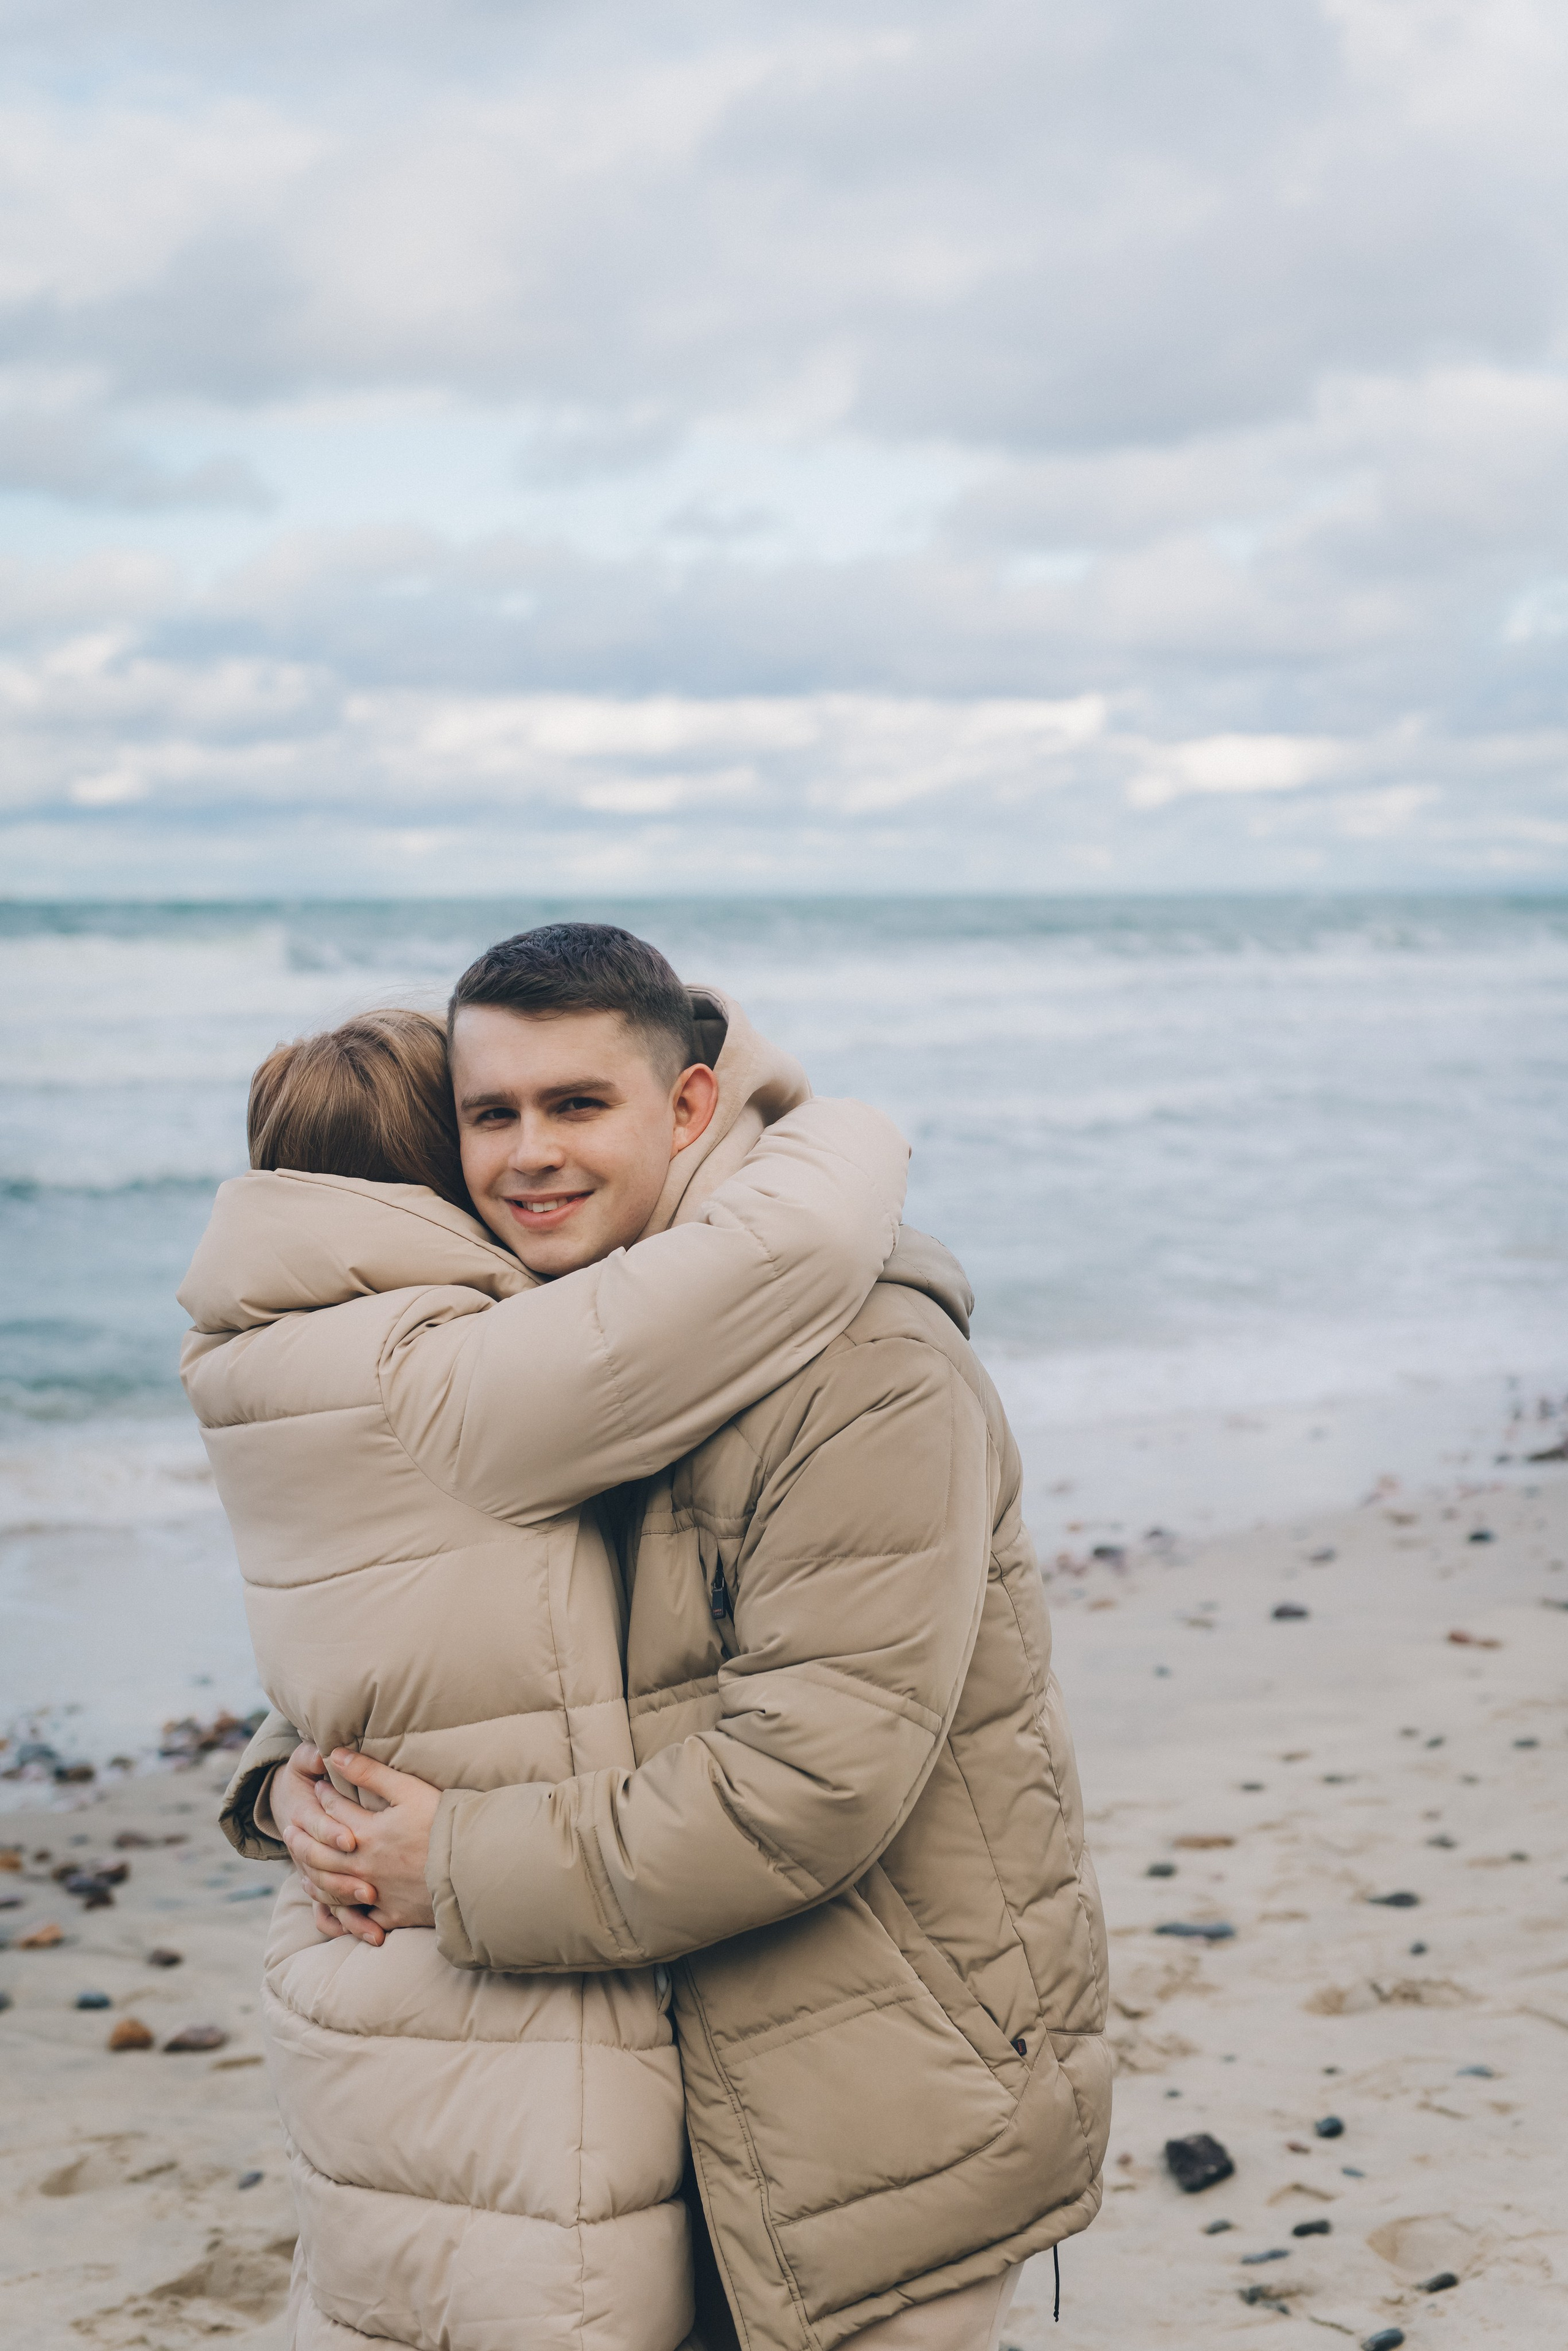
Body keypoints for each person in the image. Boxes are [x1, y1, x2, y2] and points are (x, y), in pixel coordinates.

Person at [233, 927, 1112, 2351]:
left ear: (689, 1106)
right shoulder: (556, 1352)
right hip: (637, 2081)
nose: (528, 1154)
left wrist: (443, 1862)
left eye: (577, 1105)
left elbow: (807, 1786)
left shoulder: (866, 1367)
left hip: (872, 2080)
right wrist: (291, 1784)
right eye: (491, 1114)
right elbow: (466, 1637)